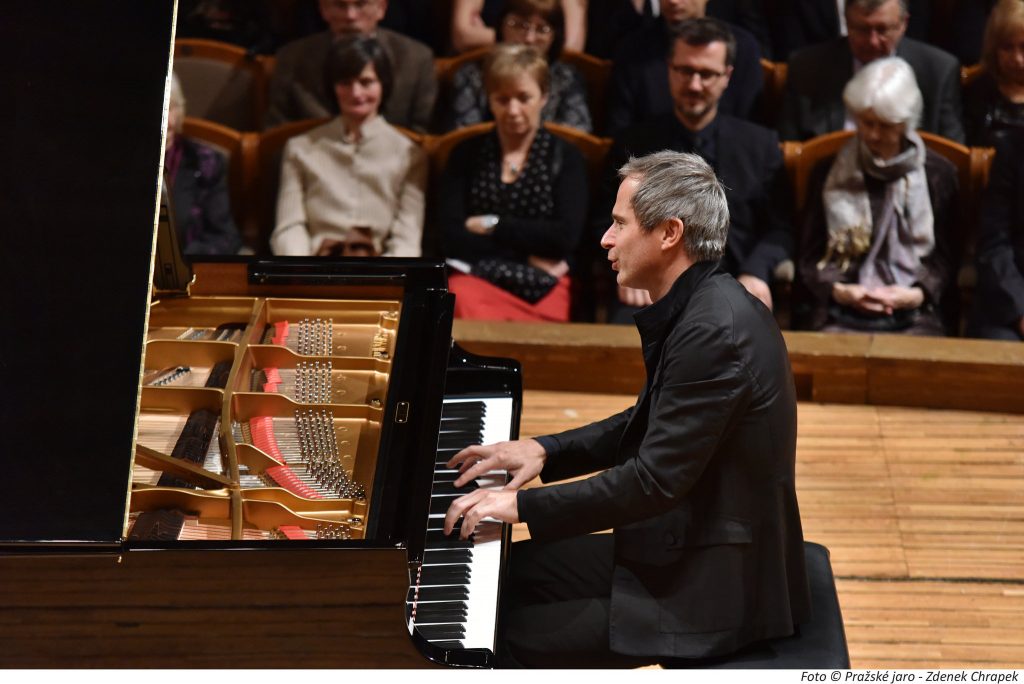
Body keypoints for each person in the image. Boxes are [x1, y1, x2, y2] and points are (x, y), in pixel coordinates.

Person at [442, 150, 810, 668]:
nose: (605, 239)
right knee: (508, 574)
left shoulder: (713, 330)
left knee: (497, 643)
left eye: (619, 224)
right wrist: (545, 451)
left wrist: (518, 506)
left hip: (715, 586)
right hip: (689, 540)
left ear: (669, 233)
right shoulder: (704, 303)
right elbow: (651, 421)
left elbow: (651, 482)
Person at [605, 18, 792, 318]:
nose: (694, 85)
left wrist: (756, 272)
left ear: (727, 76)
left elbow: (780, 229)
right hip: (650, 288)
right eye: (685, 71)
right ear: (669, 69)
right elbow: (605, 220)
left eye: (706, 74)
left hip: (733, 285)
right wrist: (631, 266)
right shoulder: (634, 143)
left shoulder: (760, 146)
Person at [797, 57, 960, 336]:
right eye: (866, 122)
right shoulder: (829, 170)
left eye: (885, 125)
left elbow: (947, 257)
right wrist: (839, 290)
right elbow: (810, 254)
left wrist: (917, 295)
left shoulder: (937, 173)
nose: (872, 134)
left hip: (916, 309)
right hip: (840, 305)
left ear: (905, 122)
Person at [437, 45, 587, 321]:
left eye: (523, 98)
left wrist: (493, 224)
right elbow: (451, 236)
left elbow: (564, 237)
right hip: (477, 275)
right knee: (459, 300)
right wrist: (526, 255)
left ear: (544, 97)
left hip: (545, 282)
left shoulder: (566, 156)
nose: (513, 110)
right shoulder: (465, 153)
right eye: (502, 99)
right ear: (489, 100)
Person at [270, 36, 426, 257]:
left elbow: (407, 238)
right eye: (345, 83)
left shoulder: (409, 154)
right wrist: (304, 270)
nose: (356, 93)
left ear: (383, 84)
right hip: (313, 265)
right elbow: (289, 226)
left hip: (379, 269)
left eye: (366, 82)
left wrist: (388, 274)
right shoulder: (300, 148)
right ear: (333, 88)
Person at [778, 0, 965, 144]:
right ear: (847, 22)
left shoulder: (939, 72)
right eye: (862, 29)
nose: (872, 41)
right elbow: (790, 153)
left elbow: (951, 156)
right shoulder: (806, 68)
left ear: (903, 24)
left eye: (882, 30)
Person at [265, 0, 437, 132]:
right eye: (340, 5)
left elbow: (424, 136)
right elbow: (276, 135)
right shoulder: (292, 58)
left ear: (381, 8)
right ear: (323, 9)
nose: (350, 16)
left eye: (360, 4)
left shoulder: (416, 59)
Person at [606, 0, 764, 136]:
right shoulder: (632, 49)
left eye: (706, 74)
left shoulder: (743, 48)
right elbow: (620, 130)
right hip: (651, 153)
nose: (673, 1)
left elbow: (752, 132)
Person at [448, 0, 592, 132]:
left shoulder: (568, 78)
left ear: (555, 36)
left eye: (542, 30)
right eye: (518, 25)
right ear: (501, 27)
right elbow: (463, 134)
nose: (529, 39)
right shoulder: (473, 74)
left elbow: (578, 133)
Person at [164, 72, 244, 256]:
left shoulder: (204, 162)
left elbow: (225, 238)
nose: (168, 122)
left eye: (171, 108)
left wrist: (181, 260)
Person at [968, 131, 1024, 341]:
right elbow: (993, 243)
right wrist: (1021, 312)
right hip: (1013, 298)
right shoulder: (1013, 150)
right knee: (1000, 349)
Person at [964, 0, 1024, 147]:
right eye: (1007, 47)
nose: (1017, 59)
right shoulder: (977, 90)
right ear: (994, 48)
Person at [450, 0, 587, 53]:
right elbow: (463, 35)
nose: (529, 38)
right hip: (486, 63)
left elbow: (570, 47)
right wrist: (539, 36)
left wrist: (512, 32)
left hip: (547, 69)